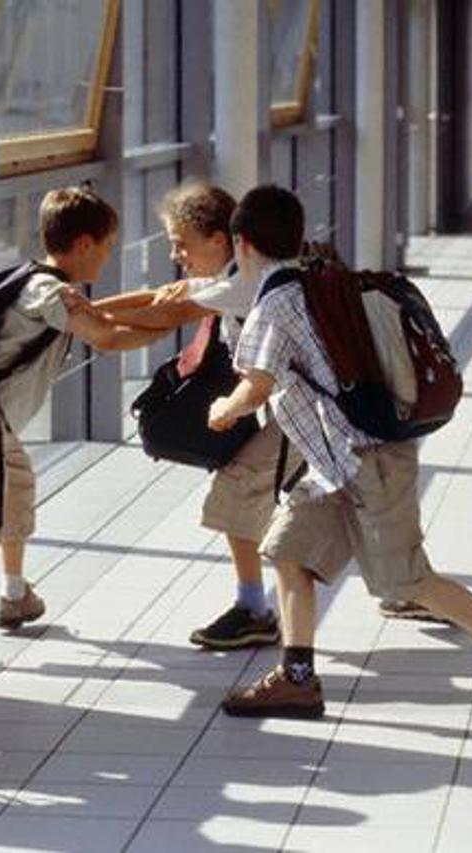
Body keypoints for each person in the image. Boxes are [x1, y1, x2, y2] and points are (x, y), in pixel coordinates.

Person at [210, 185, 472, 730]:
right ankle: (297, 680)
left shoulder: (274, 305)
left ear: (242, 243)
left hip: (367, 461)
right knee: (287, 551)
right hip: (331, 466)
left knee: (408, 581)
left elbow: (254, 388)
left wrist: (221, 410)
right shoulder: (316, 282)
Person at [0, 185, 168, 667]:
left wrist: (165, 308)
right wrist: (173, 324)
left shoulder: (40, 280)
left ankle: (13, 593)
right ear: (84, 244)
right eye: (107, 246)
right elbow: (105, 336)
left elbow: (103, 315)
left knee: (17, 483)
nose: (108, 257)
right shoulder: (50, 290)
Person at [90, 182, 303, 650]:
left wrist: (84, 321)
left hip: (309, 414)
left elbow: (171, 314)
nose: (176, 254)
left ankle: (254, 610)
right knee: (359, 504)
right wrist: (86, 310)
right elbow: (161, 297)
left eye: (181, 243)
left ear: (220, 241)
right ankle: (408, 583)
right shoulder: (241, 274)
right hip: (313, 411)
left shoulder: (242, 283)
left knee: (237, 486)